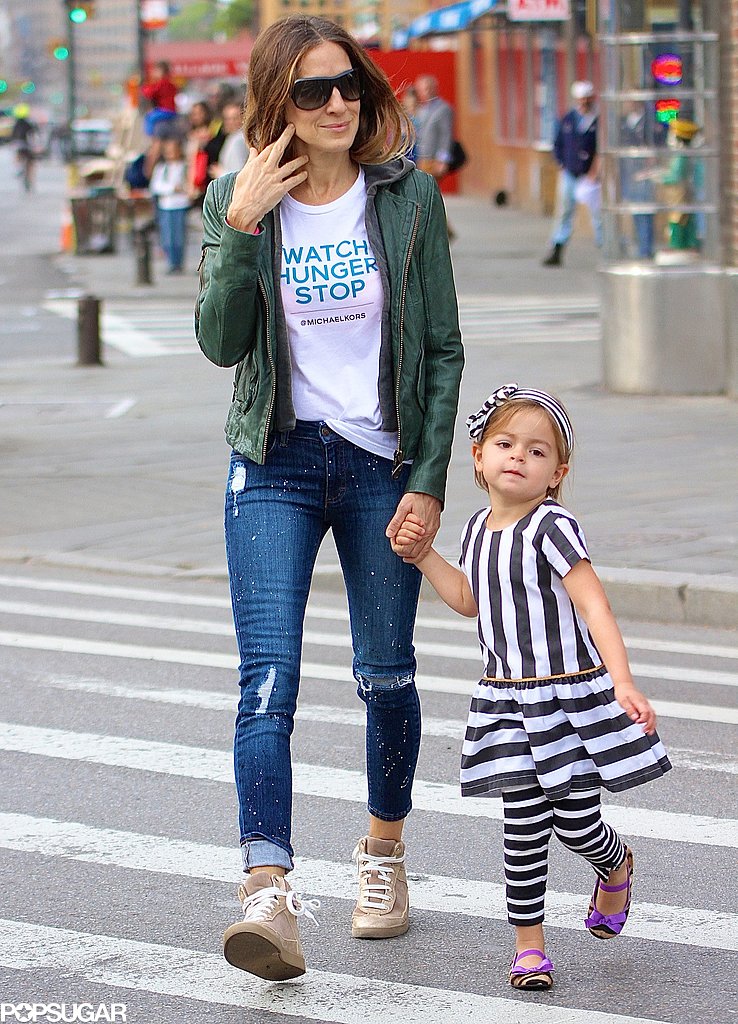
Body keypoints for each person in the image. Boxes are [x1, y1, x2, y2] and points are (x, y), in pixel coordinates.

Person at [195, 14, 463, 982]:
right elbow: (223, 343)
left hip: (379, 463)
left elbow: (440, 351)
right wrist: (239, 227)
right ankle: (266, 888)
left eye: (347, 84)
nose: (338, 103)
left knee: (385, 674)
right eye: (312, 91)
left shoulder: (408, 200)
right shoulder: (238, 200)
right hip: (273, 461)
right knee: (266, 680)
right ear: (280, 104)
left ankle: (383, 853)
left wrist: (429, 480)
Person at [391, 383, 671, 991]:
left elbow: (595, 608)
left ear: (556, 473)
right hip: (506, 700)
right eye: (506, 443)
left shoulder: (553, 526)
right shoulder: (474, 528)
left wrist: (623, 682)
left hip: (567, 696)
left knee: (574, 822)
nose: (519, 456)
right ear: (478, 456)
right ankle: (530, 949)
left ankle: (614, 862)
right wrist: (424, 556)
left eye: (538, 451)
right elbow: (471, 599)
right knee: (521, 826)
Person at [543, 81, 601, 266]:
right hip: (570, 173)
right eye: (581, 99)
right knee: (564, 211)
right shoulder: (569, 119)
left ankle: (605, 246)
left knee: (598, 213)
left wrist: (595, 171)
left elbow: (601, 149)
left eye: (587, 99)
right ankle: (557, 247)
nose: (584, 103)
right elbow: (558, 143)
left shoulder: (597, 121)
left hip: (589, 175)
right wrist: (562, 162)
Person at [148, 136, 190, 273]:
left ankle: (178, 262)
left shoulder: (184, 167)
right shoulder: (162, 168)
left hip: (180, 204)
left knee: (179, 235)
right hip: (166, 205)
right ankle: (171, 261)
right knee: (167, 235)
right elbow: (155, 186)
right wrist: (172, 188)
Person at [209, 102, 249, 177]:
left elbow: (238, 174)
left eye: (235, 118)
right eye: (227, 119)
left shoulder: (239, 140)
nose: (231, 122)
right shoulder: (232, 138)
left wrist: (219, 173)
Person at [11, 107, 39, 192]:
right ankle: (26, 174)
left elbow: (12, 136)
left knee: (18, 156)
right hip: (27, 146)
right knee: (30, 162)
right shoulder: (28, 124)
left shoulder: (16, 124)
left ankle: (18, 168)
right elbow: (34, 134)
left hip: (19, 145)